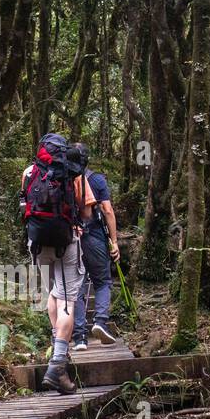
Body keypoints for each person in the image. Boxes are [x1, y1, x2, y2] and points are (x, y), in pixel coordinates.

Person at [19, 133, 95, 394]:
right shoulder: (74, 174)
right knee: (66, 301)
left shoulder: (29, 172)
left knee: (53, 292)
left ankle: (58, 347)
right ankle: (58, 365)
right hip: (66, 243)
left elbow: (23, 204)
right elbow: (86, 212)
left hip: (38, 243)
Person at [69, 143, 121, 350]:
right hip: (94, 237)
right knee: (102, 281)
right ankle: (100, 322)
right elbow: (107, 210)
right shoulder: (96, 179)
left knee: (78, 287)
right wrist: (114, 241)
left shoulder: (63, 180)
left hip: (70, 238)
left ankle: (80, 337)